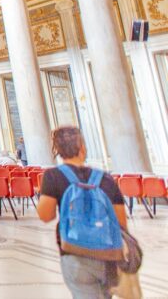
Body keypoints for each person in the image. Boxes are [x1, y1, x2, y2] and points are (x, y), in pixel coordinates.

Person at [37, 126, 127, 299]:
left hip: (75, 251)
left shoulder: (53, 176)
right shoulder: (106, 178)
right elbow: (121, 222)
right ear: (83, 148)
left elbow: (45, 216)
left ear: (57, 150)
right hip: (108, 253)